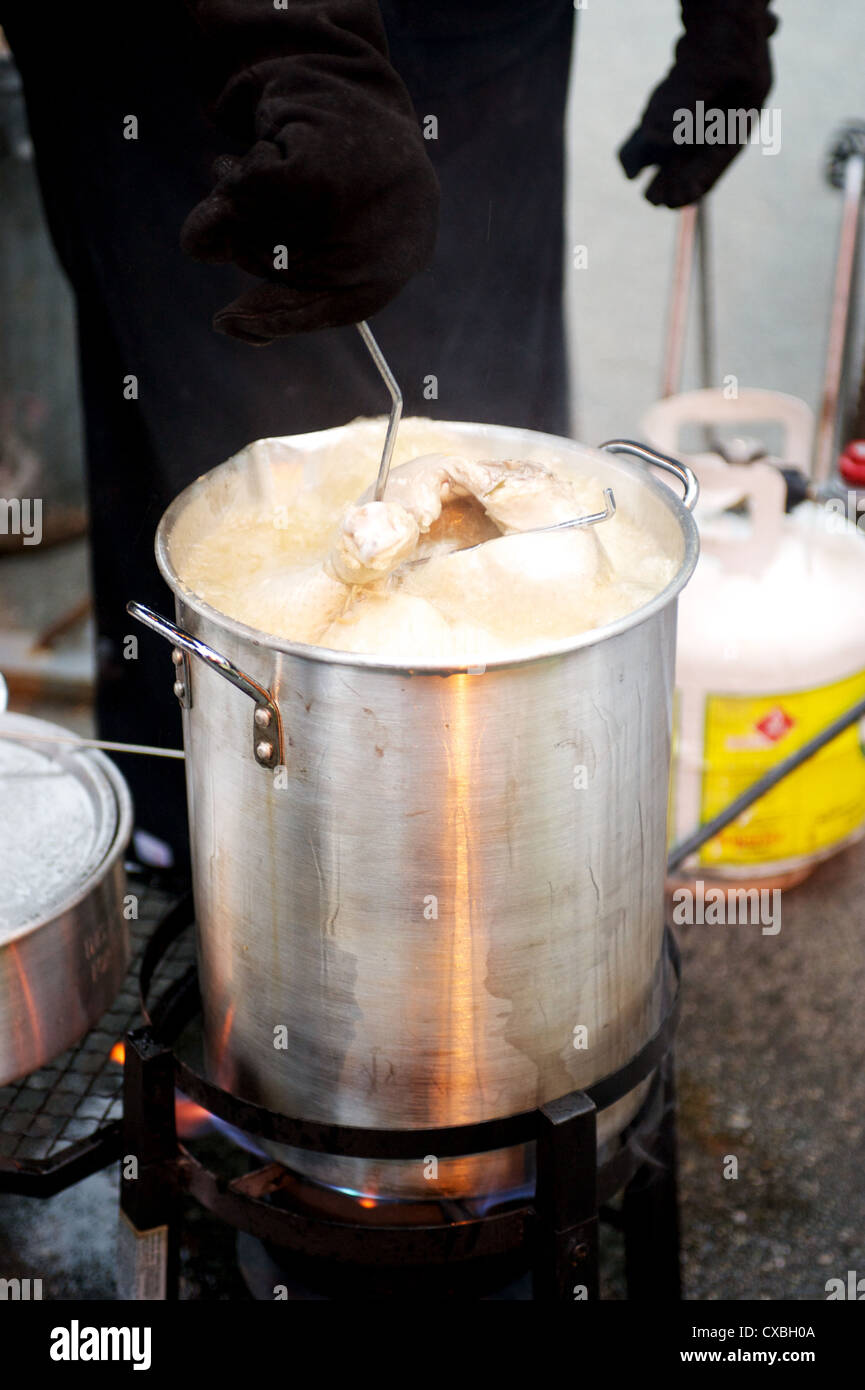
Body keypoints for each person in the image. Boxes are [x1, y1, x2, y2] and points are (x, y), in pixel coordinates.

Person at [1, 0, 777, 866]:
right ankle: (203, 862)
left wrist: (730, 18)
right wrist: (307, 57)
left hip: (460, 39)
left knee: (487, 436)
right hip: (167, 57)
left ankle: (517, 860)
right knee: (199, 440)